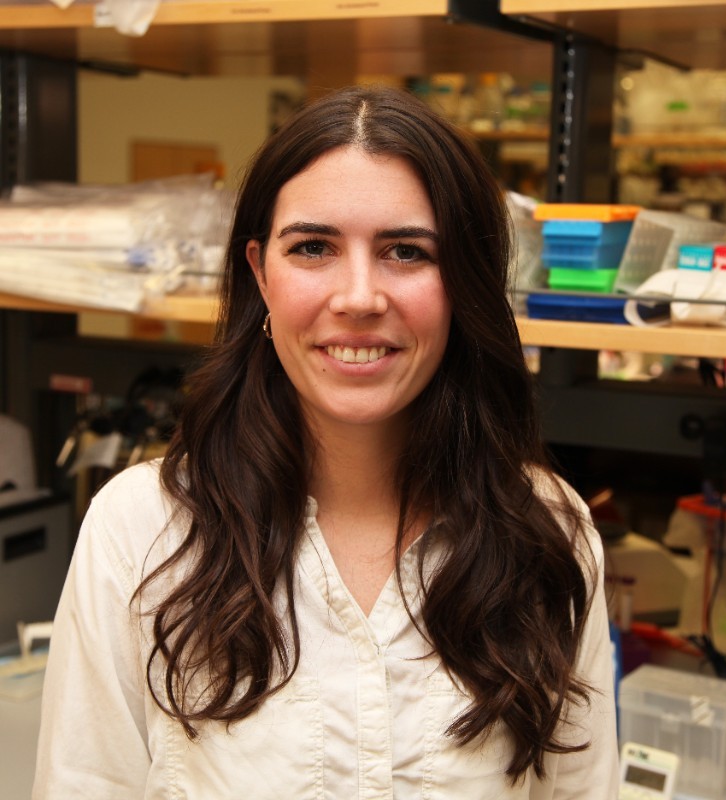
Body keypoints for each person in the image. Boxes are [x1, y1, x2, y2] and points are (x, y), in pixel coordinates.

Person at [33, 85, 618, 799]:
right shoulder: (141, 531)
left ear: (465, 283)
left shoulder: (547, 532)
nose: (359, 296)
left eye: (407, 251)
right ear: (260, 275)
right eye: (313, 247)